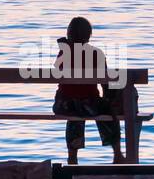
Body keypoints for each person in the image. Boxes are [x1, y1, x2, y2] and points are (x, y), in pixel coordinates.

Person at [52, 16, 128, 165]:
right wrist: (108, 99)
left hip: (64, 105)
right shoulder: (96, 53)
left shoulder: (63, 54)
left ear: (69, 34)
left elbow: (57, 71)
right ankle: (117, 153)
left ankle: (72, 156)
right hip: (89, 104)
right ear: (89, 35)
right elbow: (105, 81)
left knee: (74, 115)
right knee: (106, 110)